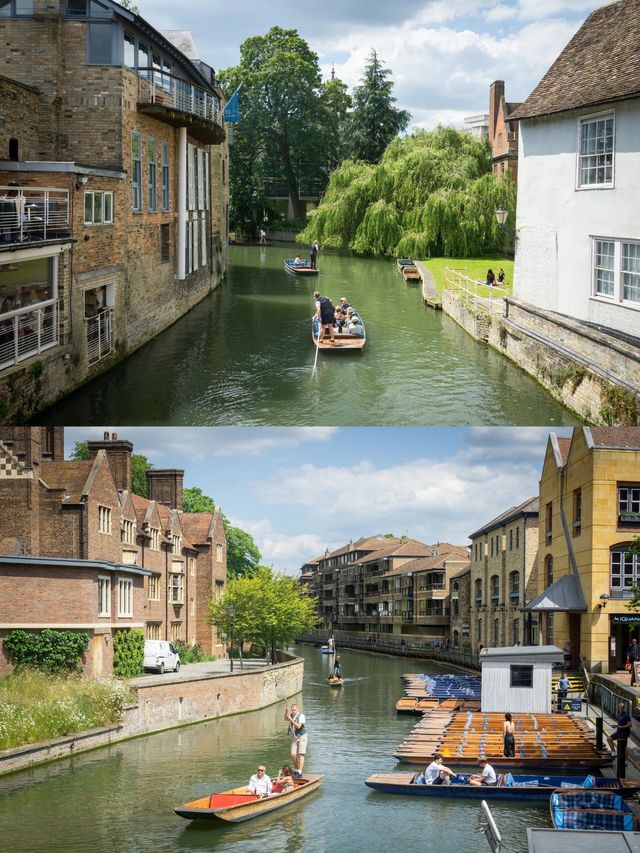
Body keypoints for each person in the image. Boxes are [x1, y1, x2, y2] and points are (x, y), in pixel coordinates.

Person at [284, 703, 307, 776]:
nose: (293, 711)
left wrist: (291, 720)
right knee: (293, 755)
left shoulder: (301, 716)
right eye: (292, 710)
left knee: (301, 754)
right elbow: (285, 718)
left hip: (302, 736)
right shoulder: (290, 715)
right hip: (294, 737)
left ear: (297, 709)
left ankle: (299, 771)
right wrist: (286, 712)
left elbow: (298, 727)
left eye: (294, 710)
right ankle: (296, 770)